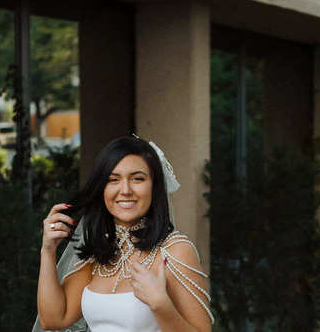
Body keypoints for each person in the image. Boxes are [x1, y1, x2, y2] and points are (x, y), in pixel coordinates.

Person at [34, 135, 213, 332]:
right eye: (113, 180)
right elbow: (53, 319)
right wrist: (48, 251)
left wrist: (162, 306)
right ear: (101, 188)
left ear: (155, 186)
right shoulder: (98, 254)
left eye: (137, 179)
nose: (125, 190)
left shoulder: (175, 251)